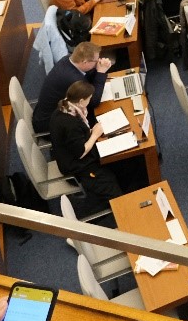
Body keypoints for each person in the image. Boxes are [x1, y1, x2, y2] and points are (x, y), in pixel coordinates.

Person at [48, 80, 123, 213]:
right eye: (89, 99)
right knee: (115, 193)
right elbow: (80, 152)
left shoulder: (64, 108)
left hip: (70, 154)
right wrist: (95, 134)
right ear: (81, 101)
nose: (90, 100)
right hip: (78, 167)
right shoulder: (71, 124)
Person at [33, 42, 112, 133]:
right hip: (49, 124)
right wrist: (101, 72)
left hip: (46, 112)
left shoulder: (68, 59)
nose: (98, 62)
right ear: (85, 62)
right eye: (96, 60)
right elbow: (94, 101)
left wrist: (99, 70)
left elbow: (87, 76)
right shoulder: (73, 79)